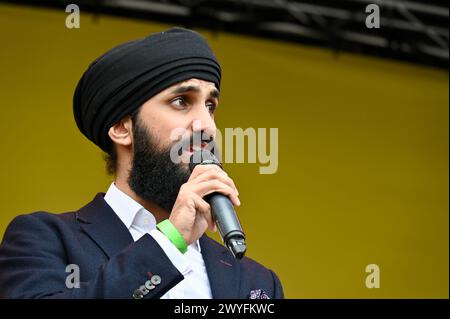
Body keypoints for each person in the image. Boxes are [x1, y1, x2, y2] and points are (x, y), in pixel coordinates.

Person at [0, 27, 284, 299]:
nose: (207, 126)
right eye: (181, 101)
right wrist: (170, 240)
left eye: (210, 106)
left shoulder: (257, 281)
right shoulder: (45, 240)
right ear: (122, 128)